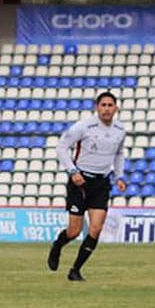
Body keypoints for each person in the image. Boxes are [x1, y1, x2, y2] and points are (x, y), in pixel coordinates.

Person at [47, 91, 128, 282]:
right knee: (74, 231)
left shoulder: (120, 130)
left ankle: (75, 270)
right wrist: (72, 171)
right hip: (80, 182)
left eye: (110, 105)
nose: (107, 109)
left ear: (116, 108)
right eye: (103, 105)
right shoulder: (84, 127)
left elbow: (119, 154)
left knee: (96, 229)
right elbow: (61, 147)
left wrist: (119, 176)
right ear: (97, 107)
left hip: (101, 182)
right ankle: (58, 245)